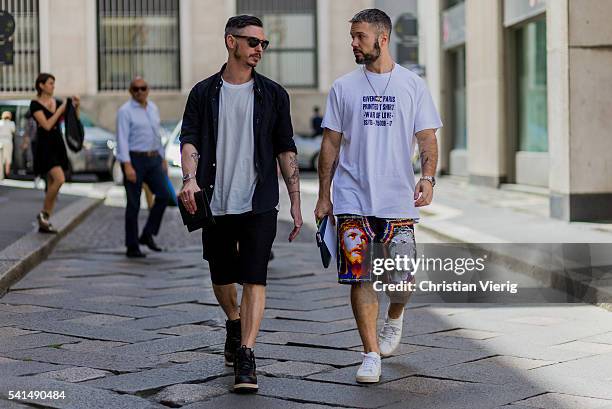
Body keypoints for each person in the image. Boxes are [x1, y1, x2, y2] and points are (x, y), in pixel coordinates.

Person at [314, 9, 442, 384]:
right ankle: (370, 354)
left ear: (382, 38)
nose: (353, 43)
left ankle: (395, 317)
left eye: (359, 36)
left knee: (403, 279)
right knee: (360, 277)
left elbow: (427, 138)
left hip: (397, 200)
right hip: (352, 198)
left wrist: (428, 178)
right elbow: (330, 145)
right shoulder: (343, 87)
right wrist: (325, 197)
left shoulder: (412, 85)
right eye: (351, 36)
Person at [179, 15, 302, 393]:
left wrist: (295, 200)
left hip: (259, 202)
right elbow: (189, 141)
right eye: (252, 42)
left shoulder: (274, 94)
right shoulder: (203, 93)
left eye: (264, 44)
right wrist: (189, 179)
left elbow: (285, 149)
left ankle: (246, 353)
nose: (259, 49)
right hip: (214, 200)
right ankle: (233, 319)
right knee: (221, 277)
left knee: (255, 276)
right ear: (231, 42)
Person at [116, 76, 169, 258]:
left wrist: (162, 158)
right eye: (136, 89)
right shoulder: (125, 111)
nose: (140, 91)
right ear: (131, 91)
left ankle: (147, 234)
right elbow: (121, 139)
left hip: (153, 159)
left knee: (165, 195)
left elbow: (157, 133)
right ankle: (132, 246)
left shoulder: (153, 108)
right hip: (134, 159)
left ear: (148, 89)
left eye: (143, 88)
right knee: (133, 204)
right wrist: (127, 165)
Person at [30, 73, 80, 233]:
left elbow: (73, 121)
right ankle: (44, 214)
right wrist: (60, 110)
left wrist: (75, 107)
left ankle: (45, 220)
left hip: (57, 144)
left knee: (53, 183)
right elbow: (46, 125)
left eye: (53, 83)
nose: (53, 86)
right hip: (44, 147)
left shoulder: (57, 102)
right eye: (50, 83)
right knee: (60, 179)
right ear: (41, 85)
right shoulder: (35, 105)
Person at [0, 111, 16, 177]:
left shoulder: (0, 122)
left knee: (0, 158)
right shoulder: (11, 123)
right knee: (8, 158)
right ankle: (7, 173)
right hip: (8, 141)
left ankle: (1, 174)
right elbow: (14, 131)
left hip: (0, 141)